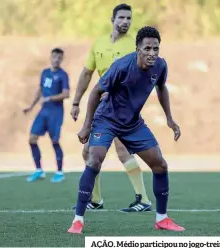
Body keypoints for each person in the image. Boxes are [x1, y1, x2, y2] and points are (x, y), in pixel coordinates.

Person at [67, 26, 185, 233]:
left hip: (132, 123)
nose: (152, 53)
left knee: (160, 165)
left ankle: (162, 219)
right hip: (106, 119)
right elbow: (96, 92)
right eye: (147, 48)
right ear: (138, 48)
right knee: (94, 159)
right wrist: (87, 125)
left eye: (156, 48)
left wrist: (169, 119)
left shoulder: (160, 66)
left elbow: (161, 88)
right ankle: (78, 220)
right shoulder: (121, 66)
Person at [70, 3, 151, 212]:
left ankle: (143, 200)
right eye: (122, 18)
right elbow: (87, 73)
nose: (125, 22)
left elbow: (141, 76)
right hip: (102, 105)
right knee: (88, 151)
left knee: (122, 148)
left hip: (124, 105)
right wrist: (76, 101)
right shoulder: (98, 43)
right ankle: (95, 200)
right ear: (112, 19)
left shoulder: (134, 45)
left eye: (129, 19)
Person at [23, 48, 70, 183]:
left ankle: (59, 172)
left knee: (54, 141)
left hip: (56, 113)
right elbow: (40, 90)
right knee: (32, 139)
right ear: (50, 57)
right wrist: (31, 106)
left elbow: (66, 94)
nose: (56, 59)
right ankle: (39, 170)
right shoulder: (44, 72)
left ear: (62, 59)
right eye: (54, 56)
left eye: (59, 58)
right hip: (43, 112)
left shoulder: (63, 75)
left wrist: (50, 98)